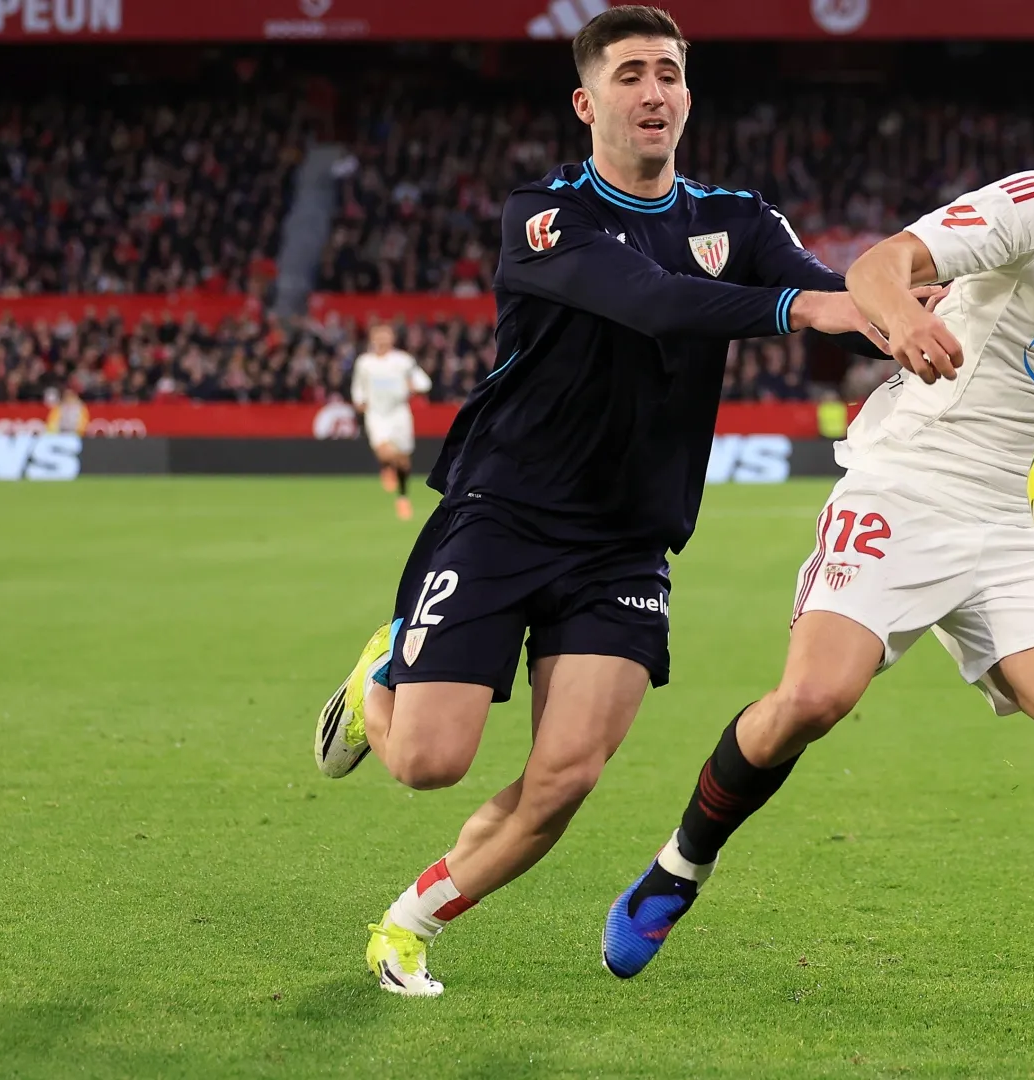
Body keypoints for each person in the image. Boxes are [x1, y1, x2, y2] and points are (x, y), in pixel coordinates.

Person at [601, 58, 1034, 1078]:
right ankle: (681, 863)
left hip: (1028, 521)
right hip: (912, 485)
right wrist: (905, 319)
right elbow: (878, 265)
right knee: (813, 698)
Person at [308, 6, 892, 999]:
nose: (654, 90)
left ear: (688, 95)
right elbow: (656, 301)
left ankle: (407, 926)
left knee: (566, 778)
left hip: (626, 543)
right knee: (428, 764)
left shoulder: (739, 220)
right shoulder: (544, 215)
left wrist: (1010, 319)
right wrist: (808, 307)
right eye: (630, 74)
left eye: (668, 72)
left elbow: (843, 300)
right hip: (504, 512)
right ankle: (380, 679)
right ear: (588, 102)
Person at [350, 323, 433, 520]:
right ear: (372, 339)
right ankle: (386, 466)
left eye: (386, 336)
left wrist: (415, 386)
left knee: (404, 462)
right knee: (384, 450)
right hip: (377, 414)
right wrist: (359, 401)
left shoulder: (403, 361)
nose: (382, 340)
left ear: (392, 339)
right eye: (378, 336)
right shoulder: (365, 363)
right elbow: (358, 386)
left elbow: (424, 382)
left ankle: (403, 497)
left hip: (399, 413)